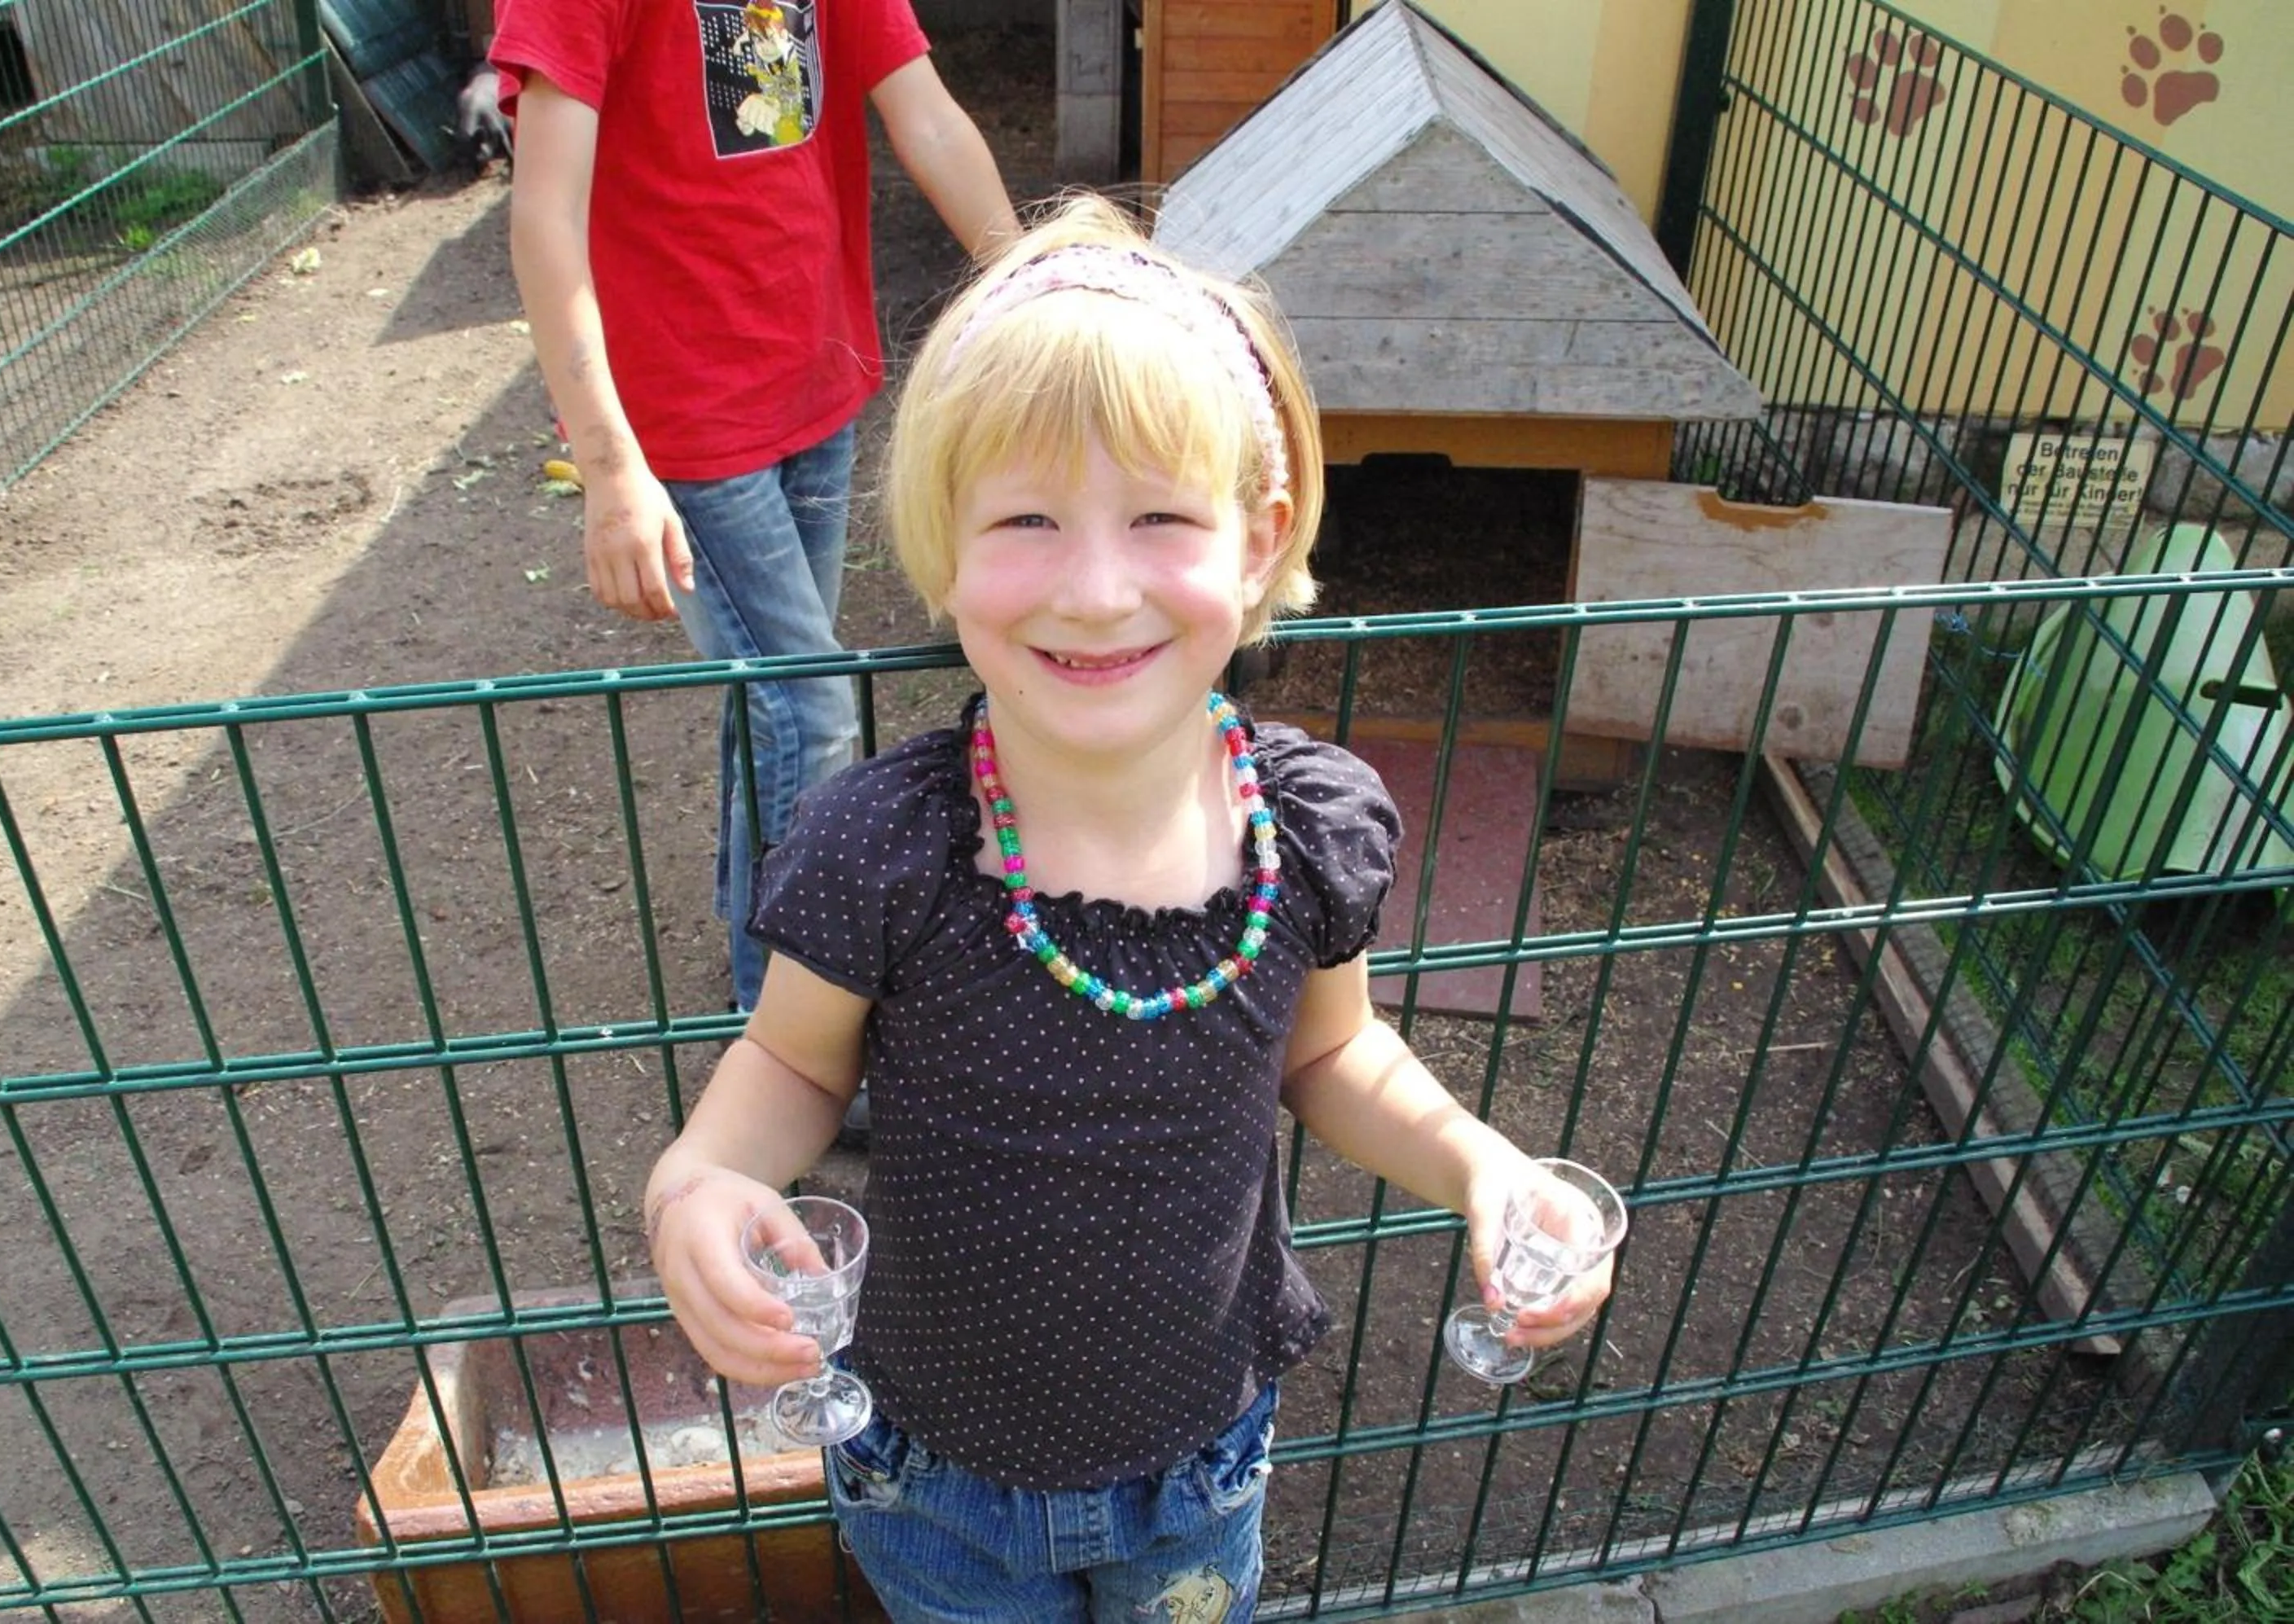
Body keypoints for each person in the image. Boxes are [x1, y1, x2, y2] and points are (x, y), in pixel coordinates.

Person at [638, 193, 1616, 1621]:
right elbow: (790, 1062)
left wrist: (1481, 1162)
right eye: (1027, 518)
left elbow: (1331, 1053)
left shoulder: (1303, 828)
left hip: (1200, 1470)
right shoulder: (888, 843)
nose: (1096, 590)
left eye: (1161, 515)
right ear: (942, 544)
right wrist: (699, 1183)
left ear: (1260, 536)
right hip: (934, 1478)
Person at [496, 0, 1018, 1025]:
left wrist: (1043, 276)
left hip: (813, 381)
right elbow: (543, 217)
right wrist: (608, 469)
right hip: (685, 423)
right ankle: (799, 1030)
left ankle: (759, 976)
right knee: (809, 709)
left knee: (773, 706)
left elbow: (927, 115)